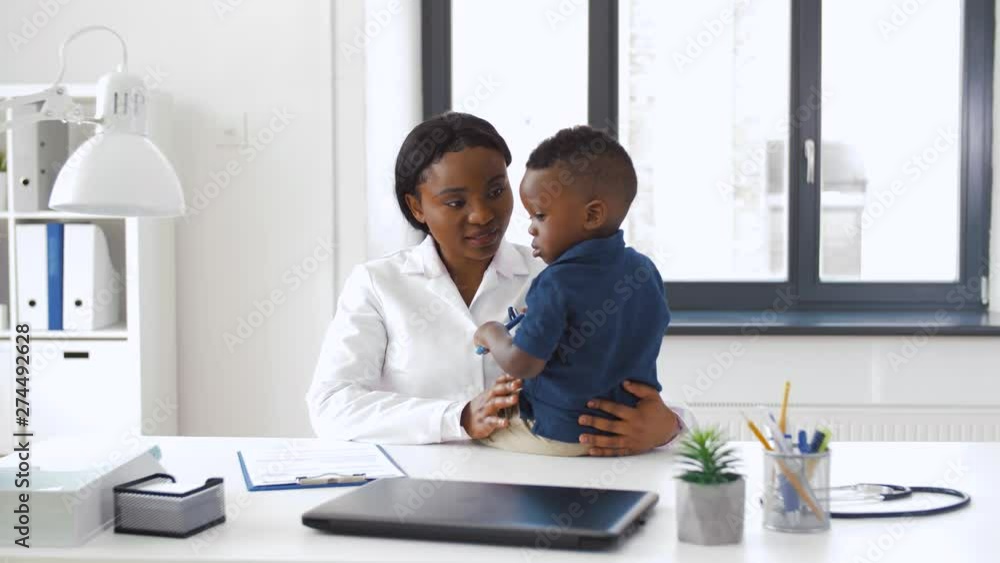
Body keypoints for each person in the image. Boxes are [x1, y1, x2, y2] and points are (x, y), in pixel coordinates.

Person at [306, 112, 688, 455]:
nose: (483, 215)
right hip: (417, 496)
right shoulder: (377, 284)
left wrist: (669, 426)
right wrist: (458, 417)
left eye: (495, 191)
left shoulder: (561, 276)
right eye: (456, 203)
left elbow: (630, 386)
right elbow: (331, 406)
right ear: (417, 207)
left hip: (544, 493)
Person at [473, 126, 672, 456]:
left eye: (540, 215)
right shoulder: (643, 270)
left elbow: (523, 365)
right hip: (626, 434)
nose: (531, 228)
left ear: (592, 215)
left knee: (474, 440)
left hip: (560, 434)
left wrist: (494, 334)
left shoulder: (554, 283)